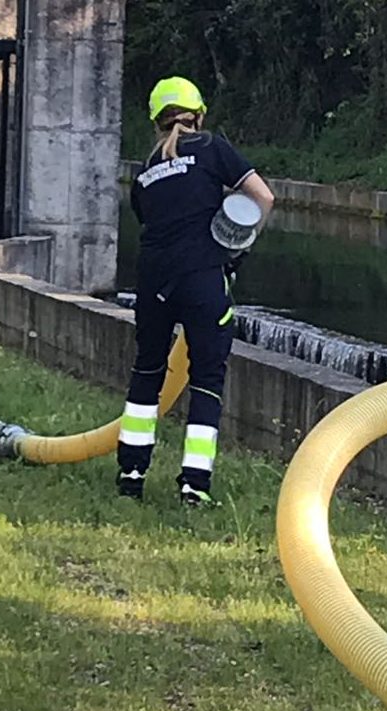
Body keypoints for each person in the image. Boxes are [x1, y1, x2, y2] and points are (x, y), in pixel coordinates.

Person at [116, 76, 275, 505]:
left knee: (147, 373)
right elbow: (263, 197)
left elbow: (150, 221)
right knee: (206, 379)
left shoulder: (144, 170)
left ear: (155, 121)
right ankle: (193, 485)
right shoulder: (211, 148)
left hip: (152, 280)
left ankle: (130, 475)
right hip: (203, 277)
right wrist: (238, 244)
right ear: (199, 114)